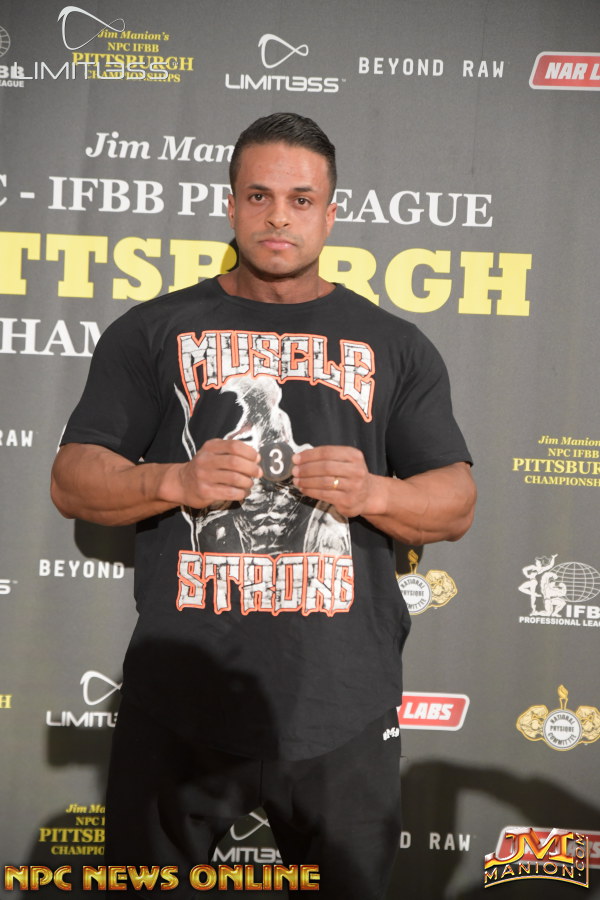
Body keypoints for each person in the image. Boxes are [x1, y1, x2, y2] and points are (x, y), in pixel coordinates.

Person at [51, 112, 476, 899]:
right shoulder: (151, 331)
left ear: (331, 213)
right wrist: (172, 482)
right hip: (181, 697)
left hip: (341, 702)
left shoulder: (395, 345)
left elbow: (454, 504)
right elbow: (73, 479)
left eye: (301, 199)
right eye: (259, 196)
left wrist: (373, 491)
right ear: (231, 205)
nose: (279, 216)